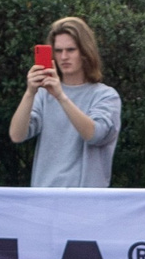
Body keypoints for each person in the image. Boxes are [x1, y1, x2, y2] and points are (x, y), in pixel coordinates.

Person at [16, 15, 122, 189]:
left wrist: (61, 96)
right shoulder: (43, 95)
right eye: (58, 51)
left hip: (85, 201)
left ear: (85, 52)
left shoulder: (106, 95)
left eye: (71, 50)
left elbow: (94, 135)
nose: (64, 57)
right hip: (45, 196)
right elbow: (17, 135)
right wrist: (30, 93)